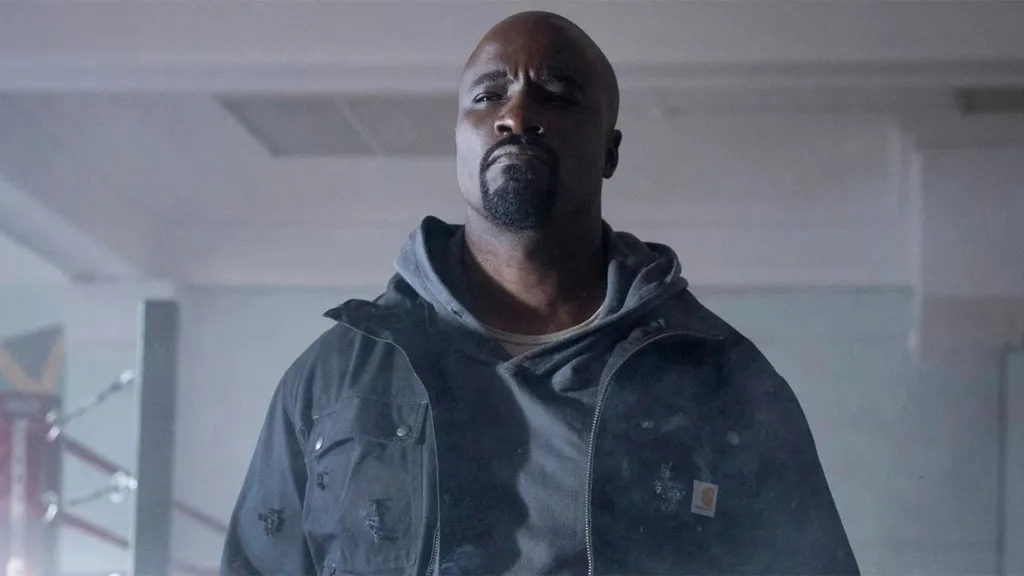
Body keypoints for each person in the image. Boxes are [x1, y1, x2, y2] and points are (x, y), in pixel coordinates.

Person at [221, 11, 859, 576]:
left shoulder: (719, 381)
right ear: (460, 137)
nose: (517, 116)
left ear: (609, 151)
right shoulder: (336, 379)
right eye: (488, 96)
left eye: (556, 96)